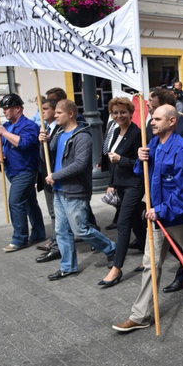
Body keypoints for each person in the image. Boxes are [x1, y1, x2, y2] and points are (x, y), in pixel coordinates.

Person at [112, 105, 183, 332]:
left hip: (177, 217)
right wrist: (140, 159)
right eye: (152, 118)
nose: (152, 122)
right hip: (156, 215)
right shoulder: (154, 144)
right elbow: (142, 173)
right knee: (151, 264)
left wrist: (162, 210)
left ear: (172, 121)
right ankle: (140, 315)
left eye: (157, 119)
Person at [40, 100, 117, 280]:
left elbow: (81, 165)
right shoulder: (58, 134)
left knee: (81, 229)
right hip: (59, 190)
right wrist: (43, 142)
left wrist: (56, 176)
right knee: (61, 231)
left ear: (71, 114)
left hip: (75, 190)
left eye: (59, 112)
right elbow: (47, 158)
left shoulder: (83, 136)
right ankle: (68, 267)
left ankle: (112, 249)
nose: (55, 115)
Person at [0, 93, 46, 252]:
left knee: (15, 202)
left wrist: (4, 133)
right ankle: (39, 232)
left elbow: (24, 143)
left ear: (18, 109)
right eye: (4, 109)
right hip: (11, 171)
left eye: (7, 108)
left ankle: (19, 239)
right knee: (29, 202)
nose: (5, 112)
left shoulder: (29, 126)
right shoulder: (5, 126)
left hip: (26, 170)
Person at [98, 97, 144, 288]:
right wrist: (111, 183)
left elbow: (141, 164)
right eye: (115, 112)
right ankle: (149, 251)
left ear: (130, 112)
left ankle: (117, 268)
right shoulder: (114, 130)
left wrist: (121, 159)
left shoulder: (137, 133)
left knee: (123, 223)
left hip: (134, 184)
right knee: (135, 220)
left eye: (123, 112)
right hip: (120, 184)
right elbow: (110, 160)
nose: (119, 116)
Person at [34, 99, 62, 263]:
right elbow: (43, 157)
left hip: (56, 176)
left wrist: (48, 141)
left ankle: (58, 245)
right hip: (46, 175)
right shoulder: (45, 128)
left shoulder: (58, 130)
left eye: (45, 109)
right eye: (41, 109)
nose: (42, 112)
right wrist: (41, 142)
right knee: (53, 212)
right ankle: (57, 243)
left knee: (61, 214)